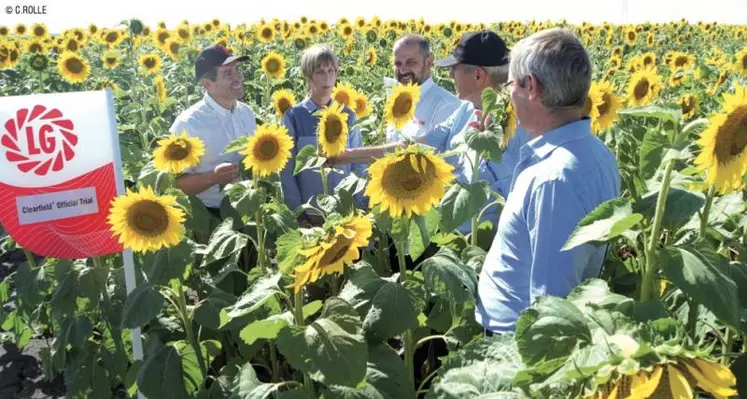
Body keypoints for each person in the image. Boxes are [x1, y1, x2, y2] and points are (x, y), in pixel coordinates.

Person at [475, 28, 621, 334]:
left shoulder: (554, 179)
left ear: (531, 86)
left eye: (512, 85)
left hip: (514, 344)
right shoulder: (596, 153)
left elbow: (551, 301)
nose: (509, 96)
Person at [329, 30, 531, 235]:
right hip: (450, 238)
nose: (450, 75)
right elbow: (411, 148)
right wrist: (342, 156)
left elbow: (521, 201)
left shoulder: (515, 126)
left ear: (478, 75)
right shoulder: (465, 111)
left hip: (486, 242)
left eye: (455, 69)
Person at [279, 45, 368, 225]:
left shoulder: (347, 115)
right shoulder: (294, 116)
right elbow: (287, 171)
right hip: (311, 213)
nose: (327, 78)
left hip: (344, 212)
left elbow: (358, 165)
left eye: (331, 70)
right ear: (308, 75)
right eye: (319, 72)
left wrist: (360, 207)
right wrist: (298, 214)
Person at [170, 44, 257, 215]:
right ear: (208, 84)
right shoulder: (188, 124)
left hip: (250, 208)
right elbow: (175, 185)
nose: (237, 77)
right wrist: (213, 177)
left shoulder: (246, 113)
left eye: (236, 70)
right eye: (228, 73)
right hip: (210, 215)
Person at [385, 34, 461, 143]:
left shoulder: (446, 105)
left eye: (410, 63)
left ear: (428, 62)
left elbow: (432, 154)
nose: (402, 71)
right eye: (398, 64)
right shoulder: (395, 98)